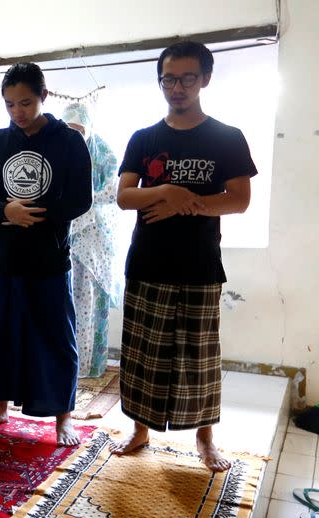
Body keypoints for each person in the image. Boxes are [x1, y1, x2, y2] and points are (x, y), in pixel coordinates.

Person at [109, 41, 256, 471]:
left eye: (187, 77)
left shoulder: (227, 137)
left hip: (199, 265)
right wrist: (168, 193)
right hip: (148, 263)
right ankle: (139, 430)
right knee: (142, 354)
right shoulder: (144, 138)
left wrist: (185, 203)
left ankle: (205, 438)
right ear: (160, 82)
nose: (177, 87)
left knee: (199, 358)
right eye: (169, 79)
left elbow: (240, 200)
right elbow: (124, 197)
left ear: (205, 79)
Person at [0, 62, 92, 445]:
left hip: (49, 257)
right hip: (6, 255)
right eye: (9, 105)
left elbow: (80, 198)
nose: (18, 112)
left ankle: (63, 416)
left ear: (43, 96)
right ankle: (0, 406)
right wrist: (7, 210)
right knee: (4, 333)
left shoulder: (69, 141)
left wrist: (36, 214)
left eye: (25, 102)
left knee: (56, 336)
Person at [61, 102, 120, 378]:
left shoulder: (104, 152)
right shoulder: (60, 151)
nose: (74, 135)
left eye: (79, 129)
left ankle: (88, 364)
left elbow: (112, 193)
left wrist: (85, 200)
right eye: (69, 129)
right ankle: (67, 362)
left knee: (91, 300)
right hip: (65, 232)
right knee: (67, 298)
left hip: (95, 235)